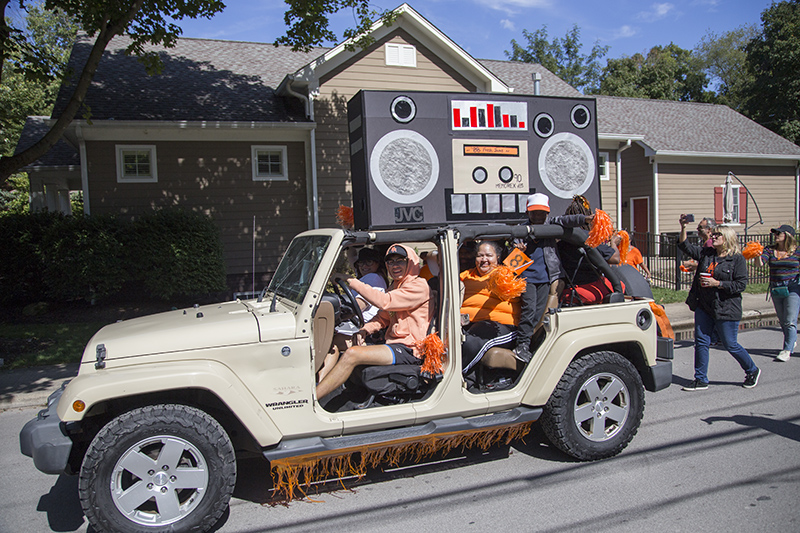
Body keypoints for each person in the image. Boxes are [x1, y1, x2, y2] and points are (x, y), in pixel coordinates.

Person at [316, 244, 431, 400]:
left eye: (400, 261)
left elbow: (385, 302)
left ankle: (312, 401)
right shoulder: (395, 286)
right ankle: (320, 386)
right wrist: (365, 330)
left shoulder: (418, 286)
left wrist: (351, 281)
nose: (395, 266)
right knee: (336, 341)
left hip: (410, 349)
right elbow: (383, 317)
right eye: (390, 262)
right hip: (393, 343)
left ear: (410, 262)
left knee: (352, 354)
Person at [678, 215, 760, 390]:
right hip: (704, 305)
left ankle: (752, 369)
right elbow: (685, 246)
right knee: (701, 341)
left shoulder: (737, 259)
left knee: (730, 344)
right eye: (713, 235)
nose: (713, 237)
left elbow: (741, 284)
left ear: (727, 239)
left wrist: (718, 284)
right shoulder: (707, 253)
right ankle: (701, 379)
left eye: (717, 235)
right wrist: (683, 227)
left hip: (726, 306)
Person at [514, 193, 592, 362]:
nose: (538, 216)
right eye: (534, 212)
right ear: (528, 213)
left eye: (541, 212)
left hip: (545, 277)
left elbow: (567, 221)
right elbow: (512, 254)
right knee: (528, 310)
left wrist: (585, 219)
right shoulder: (521, 229)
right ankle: (522, 345)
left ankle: (532, 343)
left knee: (540, 312)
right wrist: (517, 249)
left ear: (547, 213)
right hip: (526, 277)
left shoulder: (551, 225)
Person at [319, 247, 388, 381]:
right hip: (354, 325)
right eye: (361, 263)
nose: (364, 266)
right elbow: (352, 256)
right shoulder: (365, 277)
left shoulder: (373, 278)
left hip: (365, 331)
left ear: (377, 263)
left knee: (330, 344)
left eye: (369, 262)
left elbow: (358, 306)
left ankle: (320, 384)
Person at [460, 241, 521, 374]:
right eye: (480, 256)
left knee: (472, 341)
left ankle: (453, 377)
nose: (484, 260)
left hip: (500, 326)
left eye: (489, 255)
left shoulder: (505, 275)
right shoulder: (465, 276)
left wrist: (518, 251)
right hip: (468, 324)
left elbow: (519, 264)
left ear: (497, 257)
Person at [557, 196, 620, 305]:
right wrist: (613, 243)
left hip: (568, 287)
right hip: (590, 288)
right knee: (621, 287)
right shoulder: (589, 239)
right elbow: (615, 259)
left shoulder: (559, 241)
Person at [756, 224, 800, 362]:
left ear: (788, 235)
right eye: (775, 233)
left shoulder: (797, 251)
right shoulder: (770, 249)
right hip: (776, 288)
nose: (776, 235)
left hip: (793, 288)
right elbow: (760, 264)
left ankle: (787, 350)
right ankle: (791, 340)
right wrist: (757, 255)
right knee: (782, 320)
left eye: (779, 233)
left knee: (790, 320)